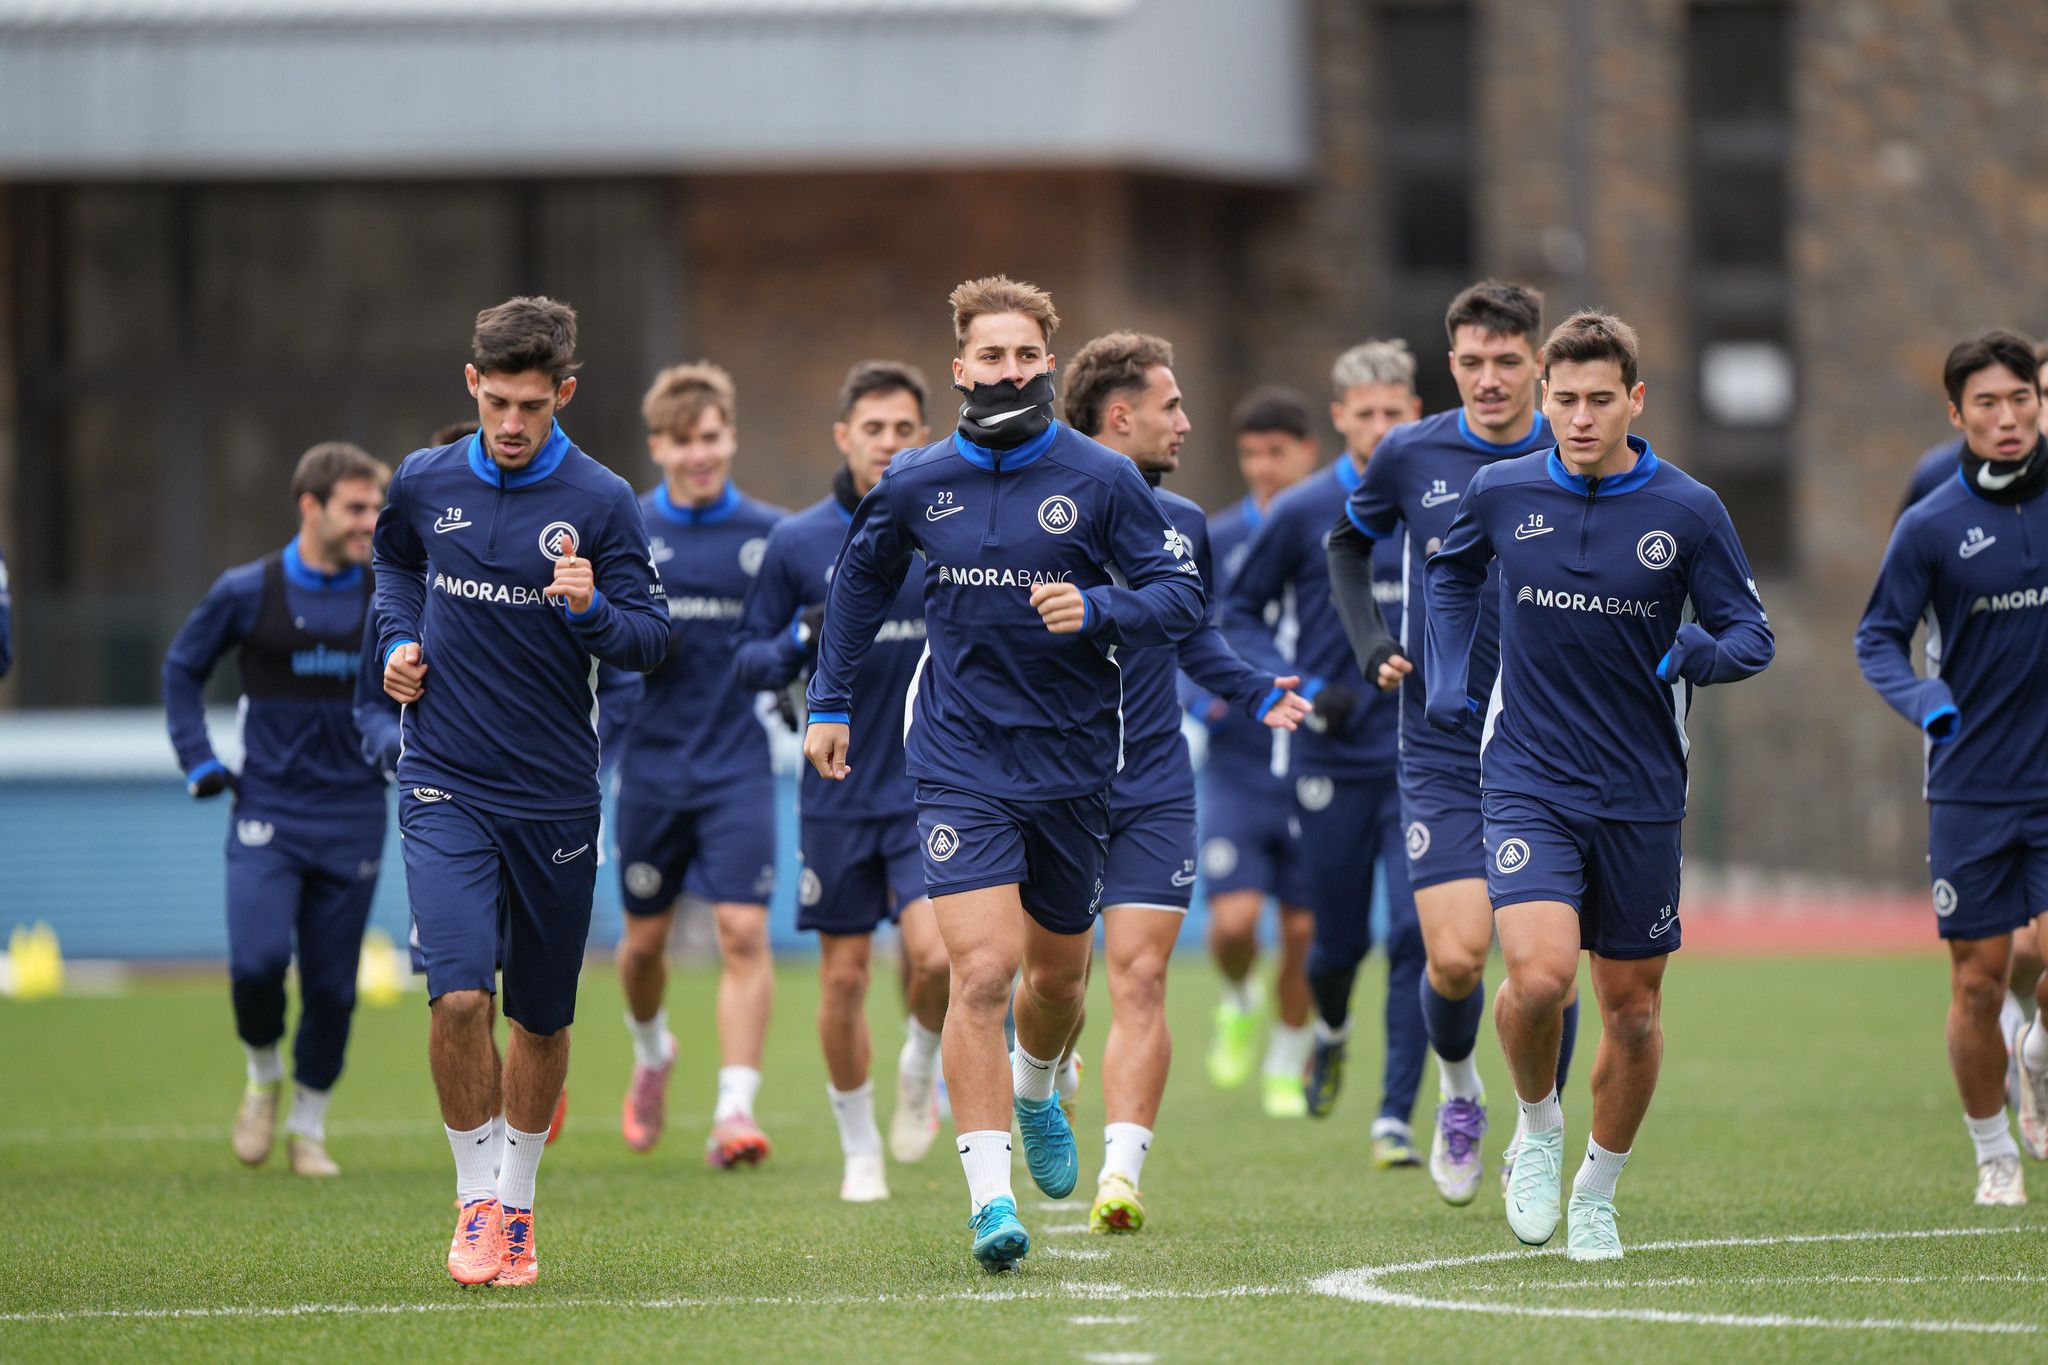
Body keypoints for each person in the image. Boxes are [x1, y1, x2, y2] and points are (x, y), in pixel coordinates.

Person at [802, 275, 1203, 1271]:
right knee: (978, 972)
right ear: (960, 368)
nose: (1009, 370)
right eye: (991, 356)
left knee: (1056, 986)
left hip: (1074, 766)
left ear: (1048, 364)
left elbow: (1179, 596)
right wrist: (828, 701)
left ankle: (1036, 1089)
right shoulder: (914, 480)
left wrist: (1099, 609)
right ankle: (989, 1204)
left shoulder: (1102, 479)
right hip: (957, 759)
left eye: (1026, 355)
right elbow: (856, 588)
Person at [1427, 309, 1772, 1260]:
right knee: (1537, 978)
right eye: (1565, 399)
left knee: (1631, 1009)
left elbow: (1754, 632)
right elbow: (1449, 573)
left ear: (1635, 400)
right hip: (1528, 774)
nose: (1580, 417)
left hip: (1642, 789)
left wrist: (1705, 650)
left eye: (1599, 399)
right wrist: (1450, 672)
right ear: (1545, 398)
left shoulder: (1690, 509)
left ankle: (1598, 1191)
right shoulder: (1500, 491)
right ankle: (1536, 1132)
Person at [374, 295, 667, 1286]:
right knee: (459, 999)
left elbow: (651, 639)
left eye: (529, 406)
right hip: (442, 780)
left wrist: (591, 612)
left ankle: (520, 1207)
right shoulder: (421, 483)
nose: (508, 423)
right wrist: (397, 644)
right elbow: (392, 567)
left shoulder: (603, 501)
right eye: (495, 401)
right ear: (471, 386)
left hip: (553, 797)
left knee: (539, 1020)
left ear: (564, 396)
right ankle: (473, 1202)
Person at [1326, 283, 1581, 1204]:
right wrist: (1372, 645)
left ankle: (1535, 1127)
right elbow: (1346, 547)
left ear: (1540, 365)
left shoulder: (1576, 447)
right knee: (1458, 959)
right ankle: (1462, 1092)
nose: (1487, 378)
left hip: (1556, 744)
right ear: (1451, 365)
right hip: (1439, 739)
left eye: (1507, 361)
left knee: (1542, 966)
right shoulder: (1410, 452)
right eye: (1470, 362)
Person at [1060, 331, 1311, 1233]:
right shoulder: (1038, 509)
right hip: (1049, 780)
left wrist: (1252, 690)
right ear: (1119, 417)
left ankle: (1121, 1173)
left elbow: (1194, 636)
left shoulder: (1187, 524)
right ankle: (1042, 1074)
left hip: (1156, 780)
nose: (1187, 423)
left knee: (1141, 978)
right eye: (1172, 406)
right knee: (1053, 988)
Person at [732, 359, 950, 1202]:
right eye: (874, 429)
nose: (889, 444)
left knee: (934, 958)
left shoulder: (950, 525)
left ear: (922, 436)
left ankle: (920, 1062)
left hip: (933, 785)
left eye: (904, 430)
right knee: (845, 976)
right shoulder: (798, 542)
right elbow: (748, 658)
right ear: (844, 437)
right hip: (835, 792)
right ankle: (860, 1146)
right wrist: (799, 637)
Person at [162, 442, 391, 1178]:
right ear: (310, 506)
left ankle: (309, 1125)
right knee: (258, 963)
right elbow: (181, 669)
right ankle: (263, 1074)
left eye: (376, 507)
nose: (371, 521)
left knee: (332, 985)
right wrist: (198, 758)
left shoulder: (388, 594)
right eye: (356, 508)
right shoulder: (246, 590)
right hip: (267, 810)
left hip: (355, 811)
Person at [1857, 330, 2048, 1202]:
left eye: (2021, 399)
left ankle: (2037, 1048)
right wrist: (1924, 699)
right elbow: (1877, 638)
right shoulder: (1930, 524)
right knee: (1977, 979)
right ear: (1956, 415)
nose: (2007, 418)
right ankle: (1992, 1151)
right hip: (1971, 782)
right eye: (1987, 404)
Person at [1220, 372, 1428, 1169]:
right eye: (1364, 412)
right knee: (1334, 943)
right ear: (1339, 418)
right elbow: (1237, 612)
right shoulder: (1304, 510)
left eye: (1394, 412)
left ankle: (1395, 1117)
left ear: (1415, 416)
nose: (1379, 425)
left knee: (1418, 932)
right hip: (1330, 757)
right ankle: (1330, 1033)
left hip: (1425, 759)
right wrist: (1302, 690)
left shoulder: (1444, 498)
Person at [601, 363, 787, 1169]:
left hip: (738, 768)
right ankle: (652, 1056)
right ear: (658, 448)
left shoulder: (773, 535)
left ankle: (733, 1111)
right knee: (642, 948)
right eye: (682, 442)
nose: (699, 454)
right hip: (648, 772)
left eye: (711, 437)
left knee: (743, 930)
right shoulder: (629, 529)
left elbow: (799, 632)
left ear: (732, 437)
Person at [1195, 388, 1323, 1118]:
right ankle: (1240, 996)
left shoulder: (1338, 530)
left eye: (1277, 451)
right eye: (1251, 453)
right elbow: (1184, 635)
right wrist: (1205, 699)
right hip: (1241, 767)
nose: (1264, 467)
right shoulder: (1215, 540)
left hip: (1315, 766)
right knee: (1235, 922)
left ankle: (1286, 1054)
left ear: (1307, 453)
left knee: (1304, 928)